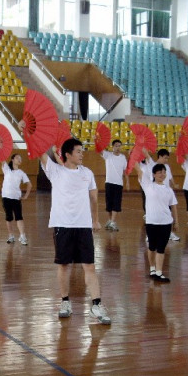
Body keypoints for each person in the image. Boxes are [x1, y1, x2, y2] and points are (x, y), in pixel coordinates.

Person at [40, 138, 111, 324]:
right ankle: (65, 302)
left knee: (90, 266)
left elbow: (94, 198)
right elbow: (38, 150)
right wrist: (26, 130)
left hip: (83, 226)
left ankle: (96, 305)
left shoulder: (87, 173)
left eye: (82, 151)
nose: (82, 154)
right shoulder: (55, 171)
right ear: (68, 154)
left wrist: (95, 220)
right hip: (62, 225)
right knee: (64, 265)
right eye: (78, 151)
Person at [134, 161, 178, 282]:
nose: (162, 174)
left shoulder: (169, 190)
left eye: (164, 172)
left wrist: (176, 222)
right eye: (159, 172)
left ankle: (159, 272)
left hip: (166, 223)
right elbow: (138, 170)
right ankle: (152, 269)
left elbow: (173, 206)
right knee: (152, 247)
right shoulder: (148, 185)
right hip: (151, 222)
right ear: (153, 174)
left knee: (161, 248)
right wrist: (134, 156)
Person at [142, 148, 180, 241]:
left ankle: (169, 233)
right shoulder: (153, 165)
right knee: (152, 215)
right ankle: (149, 234)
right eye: (165, 158)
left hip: (165, 194)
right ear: (160, 156)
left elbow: (170, 178)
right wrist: (141, 145)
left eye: (167, 158)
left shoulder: (167, 167)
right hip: (155, 193)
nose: (166, 160)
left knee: (168, 214)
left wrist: (174, 184)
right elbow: (146, 154)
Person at [0, 153, 31, 245]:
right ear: (12, 159)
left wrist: (26, 196)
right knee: (8, 217)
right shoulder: (7, 169)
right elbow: (1, 157)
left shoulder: (21, 173)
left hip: (16, 198)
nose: (19, 159)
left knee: (19, 217)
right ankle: (11, 236)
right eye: (17, 158)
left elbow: (29, 184)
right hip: (6, 197)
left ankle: (22, 236)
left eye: (20, 158)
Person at [102, 139, 128, 231]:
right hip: (109, 182)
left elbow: (125, 171)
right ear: (112, 147)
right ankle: (110, 221)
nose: (118, 148)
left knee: (116, 203)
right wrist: (96, 140)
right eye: (116, 146)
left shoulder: (123, 158)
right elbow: (99, 150)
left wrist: (127, 181)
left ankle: (112, 221)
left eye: (119, 146)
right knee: (109, 204)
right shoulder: (108, 155)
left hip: (118, 184)